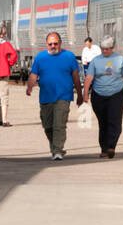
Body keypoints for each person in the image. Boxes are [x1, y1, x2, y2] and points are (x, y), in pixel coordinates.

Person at [27, 32, 82, 160]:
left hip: (64, 96)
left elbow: (76, 77)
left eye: (55, 43)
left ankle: (57, 150)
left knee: (59, 124)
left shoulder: (69, 56)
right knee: (48, 126)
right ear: (46, 44)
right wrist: (30, 87)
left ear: (60, 43)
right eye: (50, 44)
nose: (53, 46)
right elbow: (34, 75)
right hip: (46, 96)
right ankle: (55, 147)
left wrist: (80, 94)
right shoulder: (40, 58)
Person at [82, 36, 123, 159]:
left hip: (116, 94)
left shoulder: (120, 59)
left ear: (112, 48)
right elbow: (89, 78)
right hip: (98, 95)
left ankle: (111, 146)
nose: (105, 51)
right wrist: (85, 94)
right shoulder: (95, 60)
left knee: (114, 121)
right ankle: (104, 148)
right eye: (103, 49)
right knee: (103, 122)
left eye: (107, 49)